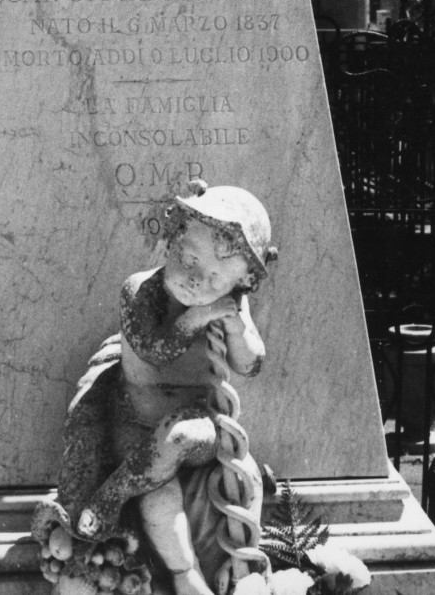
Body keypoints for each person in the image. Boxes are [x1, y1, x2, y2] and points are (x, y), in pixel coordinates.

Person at [37, 185, 277, 595]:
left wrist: (237, 328)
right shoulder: (139, 290)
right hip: (135, 424)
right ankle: (186, 576)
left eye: (216, 277)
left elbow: (251, 362)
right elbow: (152, 350)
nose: (197, 280)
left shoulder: (229, 305)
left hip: (194, 427)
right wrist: (198, 316)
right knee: (157, 502)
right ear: (173, 240)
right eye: (189, 259)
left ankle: (110, 497)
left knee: (182, 431)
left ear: (242, 280)